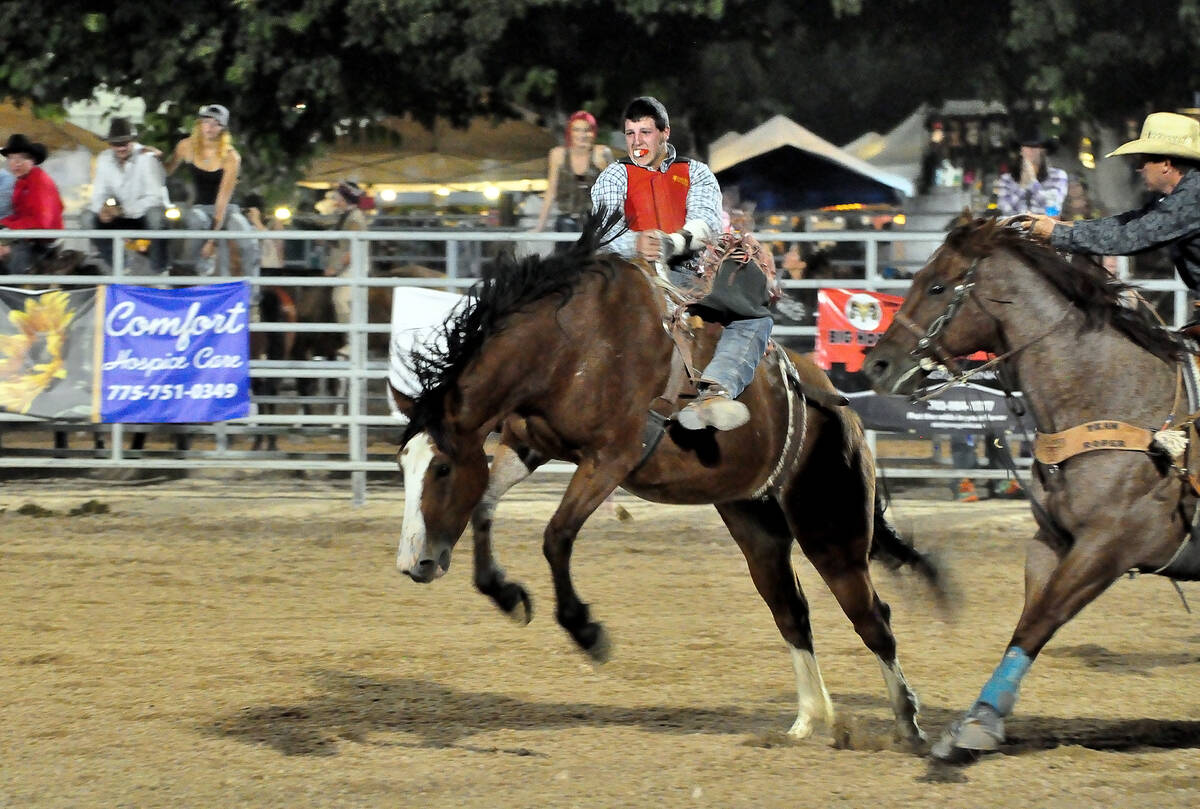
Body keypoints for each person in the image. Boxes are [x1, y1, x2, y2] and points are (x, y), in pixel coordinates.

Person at [590, 96, 773, 431]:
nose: (636, 141)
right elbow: (605, 229)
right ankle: (717, 390)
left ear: (664, 134)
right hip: (629, 270)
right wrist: (638, 242)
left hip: (681, 268)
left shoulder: (694, 172)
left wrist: (669, 242)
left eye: (644, 132)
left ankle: (714, 389)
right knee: (753, 318)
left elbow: (707, 223)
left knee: (752, 314)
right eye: (630, 134)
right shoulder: (614, 175)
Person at [1024, 111, 1200, 292]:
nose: (1139, 168)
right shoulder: (1183, 194)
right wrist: (1062, 226)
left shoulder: (1192, 196)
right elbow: (1126, 223)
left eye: (1144, 160)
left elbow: (1131, 237)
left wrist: (1056, 234)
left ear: (1166, 164)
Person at [162, 104, 260, 284]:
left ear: (223, 129)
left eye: (216, 124)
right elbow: (167, 170)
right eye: (207, 121)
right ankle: (187, 277)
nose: (210, 127)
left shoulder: (231, 157)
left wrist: (212, 239)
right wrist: (153, 156)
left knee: (248, 241)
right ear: (199, 124)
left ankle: (252, 293)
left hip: (226, 209)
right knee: (195, 220)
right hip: (201, 208)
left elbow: (221, 203)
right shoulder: (186, 146)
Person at [83, 118, 169, 273]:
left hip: (142, 217)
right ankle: (120, 267)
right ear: (110, 144)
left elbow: (155, 197)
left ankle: (159, 271)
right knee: (87, 217)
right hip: (118, 217)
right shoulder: (103, 159)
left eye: (125, 142)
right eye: (116, 144)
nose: (121, 147)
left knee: (156, 216)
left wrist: (122, 210)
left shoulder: (146, 158)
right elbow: (99, 193)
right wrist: (104, 208)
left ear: (132, 141)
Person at [533, 110, 614, 234]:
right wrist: (539, 227)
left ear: (593, 132)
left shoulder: (602, 152)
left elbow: (617, 189)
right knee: (565, 240)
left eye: (586, 130)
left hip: (596, 220)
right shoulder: (558, 154)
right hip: (566, 218)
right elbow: (551, 192)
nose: (582, 135)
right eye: (576, 130)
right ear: (570, 132)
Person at [0, 133, 63, 273]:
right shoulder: (24, 181)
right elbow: (21, 216)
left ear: (32, 160)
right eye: (12, 158)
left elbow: (41, 223)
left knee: (9, 254)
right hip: (31, 238)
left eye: (22, 158)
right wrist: (4, 224)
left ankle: (15, 290)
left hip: (40, 242)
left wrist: (7, 226)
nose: (16, 163)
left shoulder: (39, 182)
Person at [324, 180, 369, 359]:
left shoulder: (354, 219)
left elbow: (352, 249)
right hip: (347, 266)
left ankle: (353, 342)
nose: (335, 199)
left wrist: (334, 268)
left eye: (338, 196)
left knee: (340, 298)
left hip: (353, 267)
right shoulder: (347, 216)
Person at [996, 129, 1069, 217]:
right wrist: (1022, 188)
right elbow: (1005, 209)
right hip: (1015, 227)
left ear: (1043, 150)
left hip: (1044, 228)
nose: (1031, 150)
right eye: (1026, 146)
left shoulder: (1058, 176)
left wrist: (1033, 183)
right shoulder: (1006, 179)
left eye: (1036, 146)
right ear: (1021, 150)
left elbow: (1053, 209)